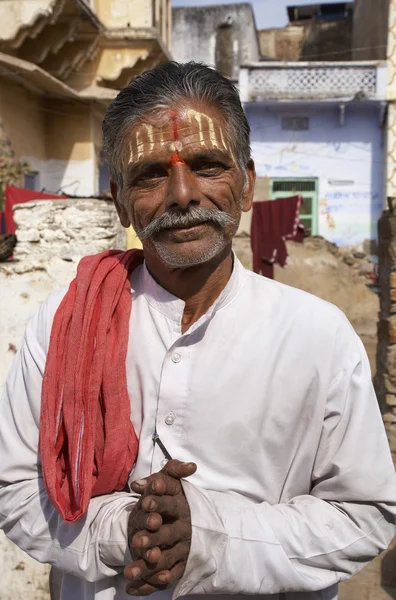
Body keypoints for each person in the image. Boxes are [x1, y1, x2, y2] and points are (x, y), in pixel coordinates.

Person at [0, 62, 395, 600]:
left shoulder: (317, 336)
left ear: (248, 183)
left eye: (207, 165)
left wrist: (212, 536)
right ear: (120, 199)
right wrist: (122, 529)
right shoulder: (65, 323)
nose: (182, 194)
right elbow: (16, 486)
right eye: (152, 174)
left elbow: (365, 513)